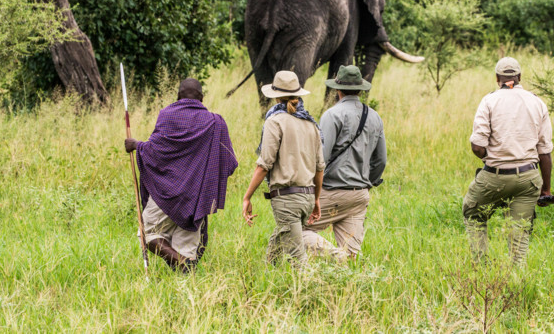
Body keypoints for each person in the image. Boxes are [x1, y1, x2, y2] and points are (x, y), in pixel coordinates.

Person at [124, 78, 238, 273]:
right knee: (185, 249)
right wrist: (204, 182)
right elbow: (230, 162)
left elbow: (155, 151)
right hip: (196, 198)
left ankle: (182, 266)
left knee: (149, 234)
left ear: (177, 96)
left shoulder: (167, 115)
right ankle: (185, 271)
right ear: (201, 98)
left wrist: (136, 145)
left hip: (166, 194)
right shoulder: (215, 122)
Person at [462, 57, 553, 265]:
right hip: (528, 178)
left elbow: (477, 146)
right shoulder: (537, 102)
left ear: (497, 78)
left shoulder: (489, 101)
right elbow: (544, 152)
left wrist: (492, 159)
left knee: (473, 212)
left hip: (494, 177)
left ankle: (481, 266)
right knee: (519, 232)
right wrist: (546, 190)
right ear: (519, 77)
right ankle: (516, 273)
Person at [302, 65, 386, 261]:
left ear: (337, 89)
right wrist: (367, 182)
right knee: (351, 257)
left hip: (332, 191)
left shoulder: (332, 115)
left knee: (295, 230)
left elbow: (321, 158)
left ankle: (334, 256)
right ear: (360, 89)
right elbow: (381, 160)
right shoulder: (375, 116)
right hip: (360, 196)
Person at [242, 71, 324, 267]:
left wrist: (247, 197)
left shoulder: (274, 121)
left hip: (287, 199)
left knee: (298, 259)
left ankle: (315, 290)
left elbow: (264, 165)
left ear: (276, 95)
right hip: (306, 197)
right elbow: (320, 168)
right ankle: (267, 280)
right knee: (277, 248)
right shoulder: (311, 123)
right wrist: (316, 199)